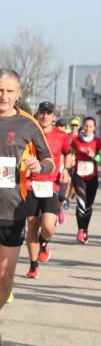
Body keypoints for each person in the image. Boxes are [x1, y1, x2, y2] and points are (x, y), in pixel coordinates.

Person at [0, 70, 55, 332]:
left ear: (18, 93)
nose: (4, 96)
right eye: (0, 90)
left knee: (5, 276)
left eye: (9, 91)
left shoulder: (27, 123)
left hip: (12, 209)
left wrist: (38, 165)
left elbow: (50, 160)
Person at [23, 102, 73, 278]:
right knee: (32, 225)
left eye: (48, 113)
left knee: (48, 226)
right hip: (29, 184)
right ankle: (33, 264)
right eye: (42, 113)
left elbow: (68, 153)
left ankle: (44, 241)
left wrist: (66, 169)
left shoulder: (61, 136)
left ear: (54, 117)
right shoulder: (28, 132)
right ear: (37, 115)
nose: (44, 116)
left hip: (51, 184)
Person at [69, 116, 101, 245]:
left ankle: (85, 230)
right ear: (82, 127)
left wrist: (93, 156)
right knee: (81, 204)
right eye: (85, 126)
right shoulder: (76, 140)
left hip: (92, 177)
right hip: (78, 176)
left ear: (94, 128)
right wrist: (70, 163)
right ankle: (80, 230)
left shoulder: (98, 142)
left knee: (88, 206)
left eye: (90, 126)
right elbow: (70, 154)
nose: (88, 128)